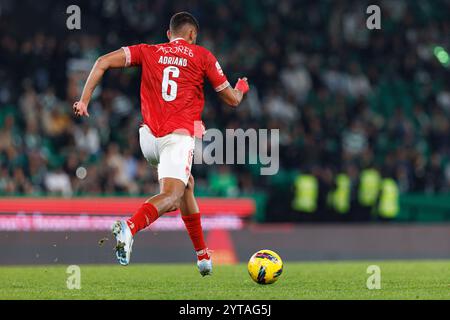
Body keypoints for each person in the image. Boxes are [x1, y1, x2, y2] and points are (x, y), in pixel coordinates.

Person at [73, 12, 249, 276]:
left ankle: (203, 256)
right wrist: (242, 87)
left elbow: (102, 62)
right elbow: (232, 100)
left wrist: (84, 100)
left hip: (148, 139)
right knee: (173, 194)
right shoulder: (202, 56)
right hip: (177, 137)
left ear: (169, 34)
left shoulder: (148, 51)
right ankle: (129, 228)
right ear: (192, 35)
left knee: (186, 185)